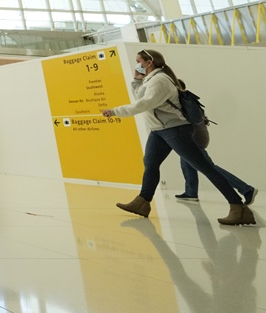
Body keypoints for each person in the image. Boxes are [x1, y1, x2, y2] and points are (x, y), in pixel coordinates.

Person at [102, 49, 254, 226]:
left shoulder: (159, 80)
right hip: (159, 129)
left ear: (148, 63)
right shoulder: (151, 80)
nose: (137, 64)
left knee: (205, 167)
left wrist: (115, 111)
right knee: (150, 164)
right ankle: (142, 202)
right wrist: (137, 80)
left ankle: (238, 207)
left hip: (175, 129)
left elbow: (144, 103)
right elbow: (141, 97)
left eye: (138, 61)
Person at [172, 81, 255, 204]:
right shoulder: (188, 98)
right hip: (197, 136)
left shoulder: (182, 101)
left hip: (194, 138)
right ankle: (190, 192)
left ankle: (246, 189)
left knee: (209, 168)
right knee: (186, 162)